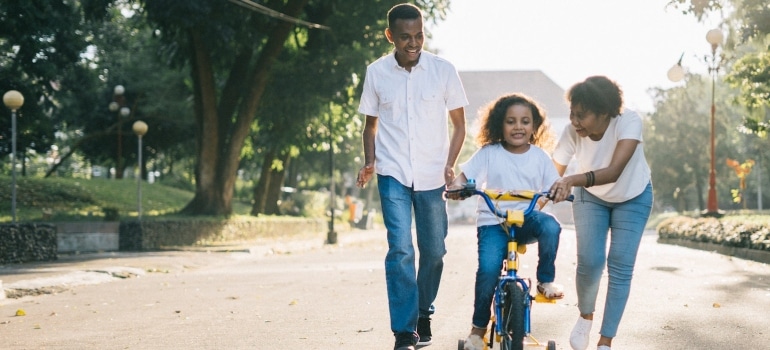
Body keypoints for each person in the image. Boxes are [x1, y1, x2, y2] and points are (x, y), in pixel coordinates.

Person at [355, 3, 468, 350]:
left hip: (433, 174)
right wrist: (370, 161)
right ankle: (404, 330)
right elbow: (370, 125)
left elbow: (460, 125)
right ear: (391, 36)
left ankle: (423, 312)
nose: (413, 43)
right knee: (401, 248)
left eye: (419, 35)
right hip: (392, 173)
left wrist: (451, 163)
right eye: (405, 37)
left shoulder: (443, 70)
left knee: (434, 251)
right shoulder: (377, 72)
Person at [446, 93, 564, 350]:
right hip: (493, 222)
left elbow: (553, 185)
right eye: (511, 121)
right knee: (488, 270)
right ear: (500, 124)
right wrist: (457, 187)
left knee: (551, 225)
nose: (518, 127)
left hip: (527, 219)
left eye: (525, 121)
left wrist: (558, 191)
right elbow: (464, 177)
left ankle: (545, 281)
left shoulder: (541, 157)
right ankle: (478, 330)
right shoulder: (489, 153)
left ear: (534, 126)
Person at [548, 76, 653, 350]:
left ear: (605, 112)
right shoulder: (572, 132)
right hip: (590, 197)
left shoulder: (629, 121)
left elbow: (614, 171)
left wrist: (571, 180)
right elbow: (551, 174)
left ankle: (605, 341)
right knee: (591, 261)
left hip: (633, 196)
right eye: (572, 113)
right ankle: (585, 317)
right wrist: (529, 207)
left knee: (620, 265)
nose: (574, 121)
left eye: (581, 115)